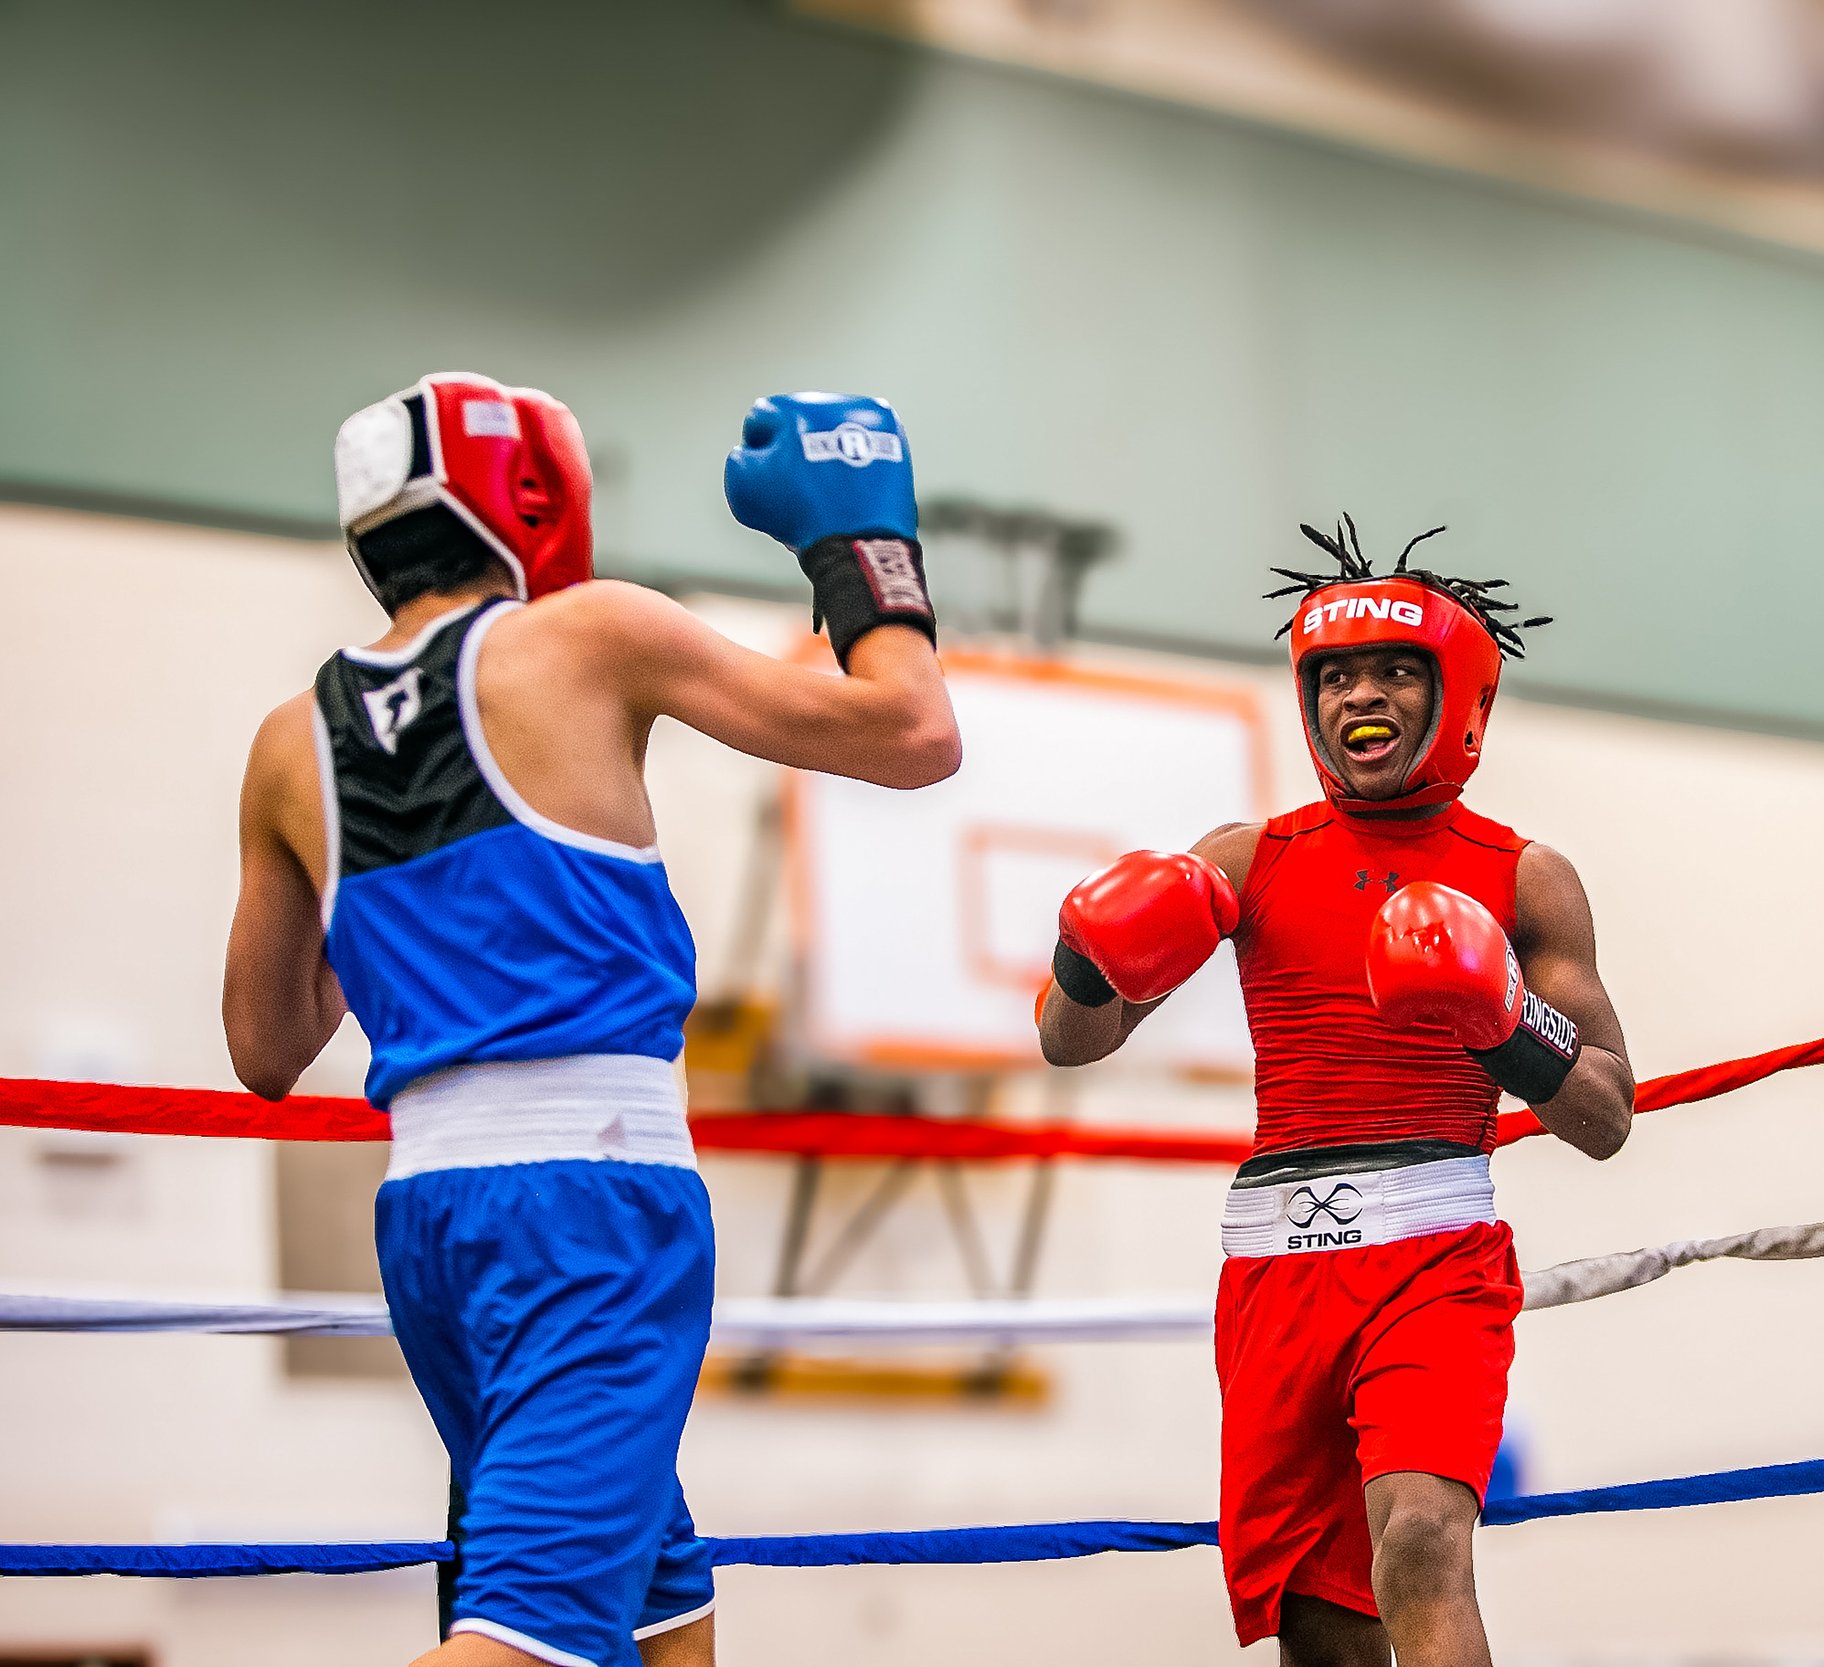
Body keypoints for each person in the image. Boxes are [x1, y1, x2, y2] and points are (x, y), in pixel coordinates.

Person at [221, 374, 958, 1667]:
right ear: (534, 494)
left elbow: (266, 1047)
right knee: (532, 1635)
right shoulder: (591, 635)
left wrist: (395, 878)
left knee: (663, 1617)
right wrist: (861, 544)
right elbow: (910, 728)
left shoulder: (293, 738)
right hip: (592, 1204)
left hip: (432, 1224)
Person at [1036, 519, 1636, 1667]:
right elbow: (1071, 1041)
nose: (1362, 694)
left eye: (1396, 669)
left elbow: (1606, 1112)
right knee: (1320, 1621)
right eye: (1336, 672)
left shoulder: (1522, 875)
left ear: (1457, 693)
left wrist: (1506, 1021)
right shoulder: (1247, 856)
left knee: (1417, 1536)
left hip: (1431, 1251)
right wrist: (1084, 947)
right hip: (1274, 1263)